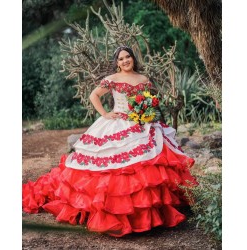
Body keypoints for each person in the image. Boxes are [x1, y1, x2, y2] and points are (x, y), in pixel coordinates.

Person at [22, 46, 198, 237]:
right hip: (118, 123)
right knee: (113, 168)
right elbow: (94, 95)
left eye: (128, 57)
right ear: (117, 63)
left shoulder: (144, 79)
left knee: (150, 166)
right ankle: (114, 214)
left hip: (142, 124)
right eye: (121, 59)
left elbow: (149, 100)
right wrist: (105, 114)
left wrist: (146, 113)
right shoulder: (113, 79)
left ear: (133, 58)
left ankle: (150, 214)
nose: (125, 61)